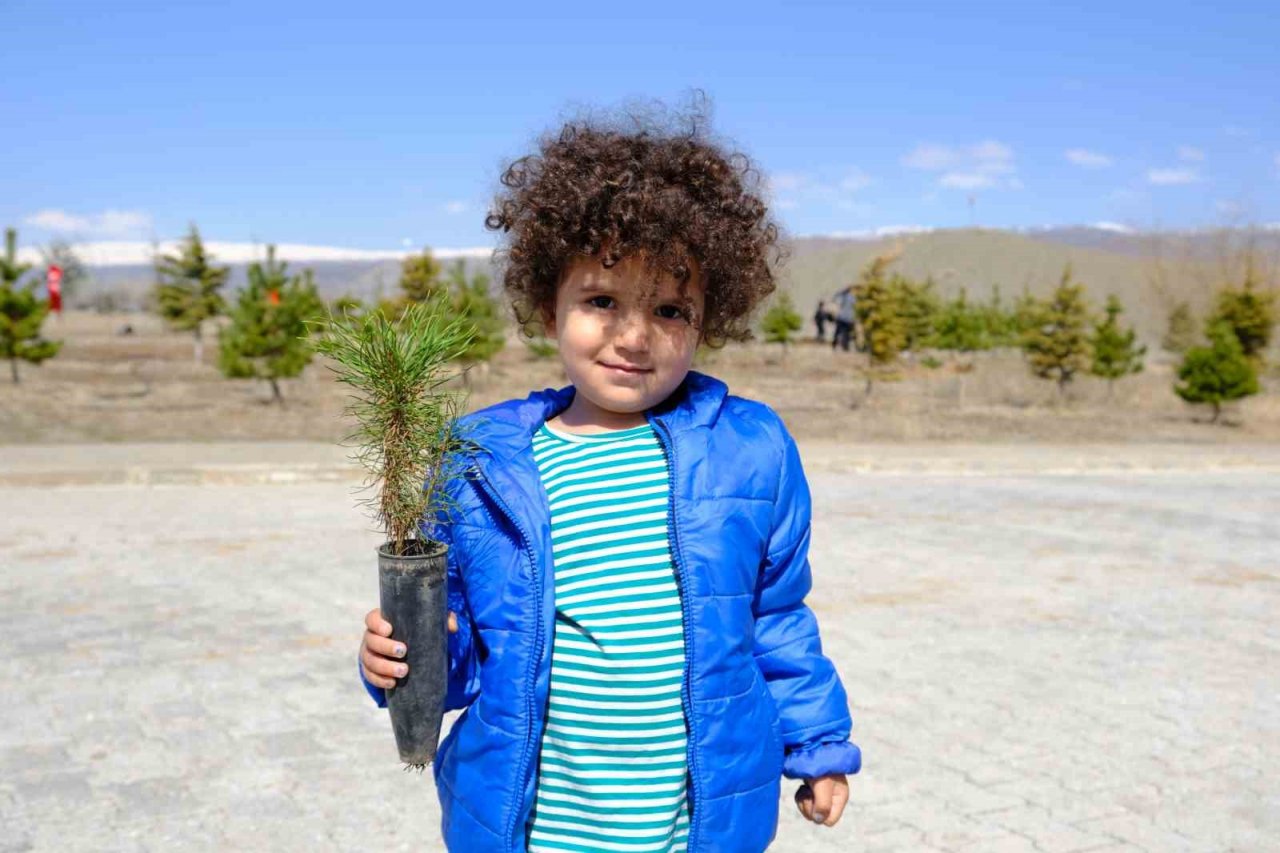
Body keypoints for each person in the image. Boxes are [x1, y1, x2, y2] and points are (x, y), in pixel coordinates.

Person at [358, 106, 861, 853]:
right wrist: (397, 660)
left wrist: (816, 745)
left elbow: (775, 613)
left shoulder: (750, 449)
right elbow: (454, 646)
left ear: (707, 316)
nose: (633, 335)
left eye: (668, 308)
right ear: (547, 303)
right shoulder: (482, 459)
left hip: (694, 825)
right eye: (601, 300)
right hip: (535, 826)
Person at [831, 287, 855, 352]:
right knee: (847, 333)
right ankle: (845, 347)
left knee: (837, 332)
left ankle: (835, 345)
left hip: (841, 317)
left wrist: (840, 292)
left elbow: (834, 299)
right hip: (849, 318)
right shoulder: (853, 297)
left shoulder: (843, 296)